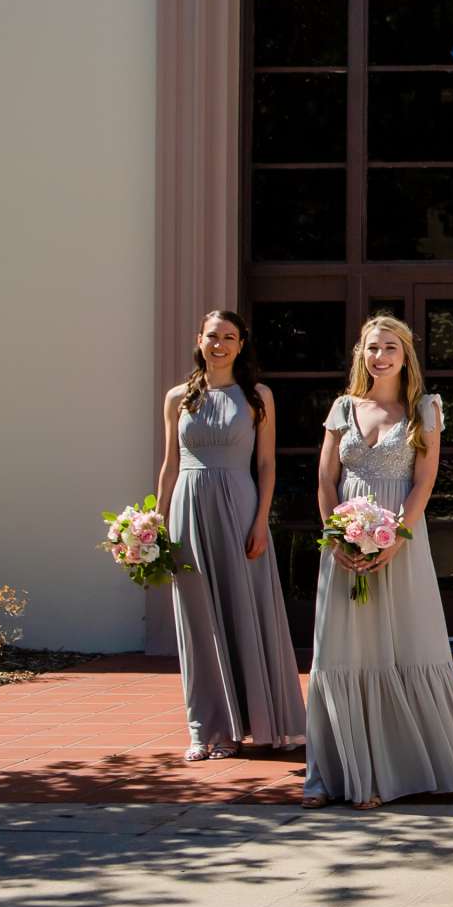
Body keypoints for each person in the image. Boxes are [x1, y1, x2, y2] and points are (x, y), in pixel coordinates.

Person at [302, 315, 453, 808]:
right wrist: (336, 538)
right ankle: (331, 776)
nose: (380, 356)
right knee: (342, 650)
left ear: (406, 355)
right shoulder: (343, 409)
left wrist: (395, 541)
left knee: (402, 643)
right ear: (360, 355)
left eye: (389, 347)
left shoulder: (424, 409)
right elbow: (326, 481)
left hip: (401, 540)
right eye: (371, 348)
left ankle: (390, 775)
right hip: (342, 545)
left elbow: (424, 482)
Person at [157, 309, 304, 760]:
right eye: (212, 336)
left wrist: (261, 520)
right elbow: (170, 465)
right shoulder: (177, 397)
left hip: (240, 509)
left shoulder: (258, 396)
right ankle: (207, 730)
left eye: (229, 337)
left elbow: (266, 465)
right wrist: (154, 525)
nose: (219, 344)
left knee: (247, 610)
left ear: (241, 345)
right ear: (198, 340)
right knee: (198, 621)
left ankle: (263, 722)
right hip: (189, 511)